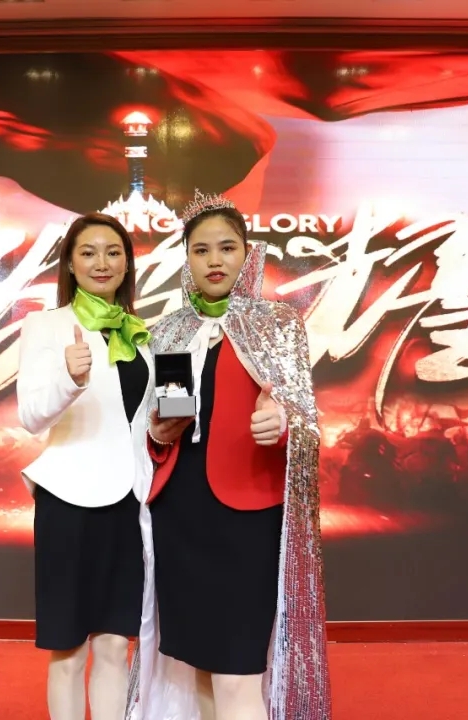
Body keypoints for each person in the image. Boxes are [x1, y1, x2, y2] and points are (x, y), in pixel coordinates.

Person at [126, 191, 332, 720]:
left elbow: (305, 422)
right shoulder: (169, 331)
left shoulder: (277, 324)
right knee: (197, 665)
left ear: (247, 253)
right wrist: (158, 433)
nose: (214, 260)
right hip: (180, 516)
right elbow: (162, 426)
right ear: (187, 259)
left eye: (226, 247)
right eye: (201, 250)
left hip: (247, 517)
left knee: (238, 674)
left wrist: (282, 424)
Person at [16, 212, 154, 720]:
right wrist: (69, 381)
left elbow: (140, 422)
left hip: (131, 504)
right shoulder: (47, 325)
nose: (102, 262)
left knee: (116, 647)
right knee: (69, 652)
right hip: (69, 502)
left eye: (114, 252)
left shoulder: (140, 334)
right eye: (89, 252)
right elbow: (31, 416)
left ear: (127, 264)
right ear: (70, 264)